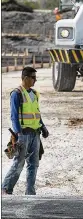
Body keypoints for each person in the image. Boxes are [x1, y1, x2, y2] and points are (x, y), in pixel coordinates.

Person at [2, 67, 49, 195]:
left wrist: (43, 127)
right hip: (23, 134)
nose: (35, 80)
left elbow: (36, 113)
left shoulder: (34, 94)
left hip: (35, 133)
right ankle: (5, 188)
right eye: (33, 77)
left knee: (34, 164)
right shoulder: (16, 94)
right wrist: (18, 134)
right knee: (19, 163)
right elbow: (14, 116)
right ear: (26, 78)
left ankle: (30, 192)